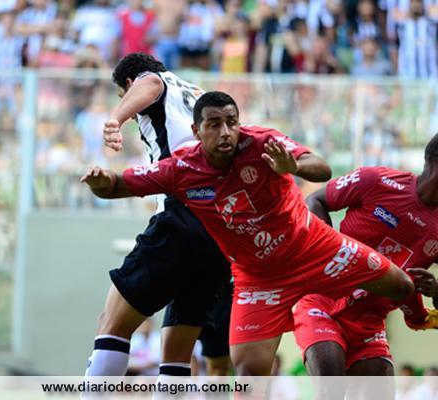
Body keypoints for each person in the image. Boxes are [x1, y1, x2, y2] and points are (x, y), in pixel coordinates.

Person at [82, 91, 415, 375]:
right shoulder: (180, 169)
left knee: (403, 286)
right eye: (215, 124)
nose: (226, 132)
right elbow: (117, 185)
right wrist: (101, 181)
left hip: (314, 247)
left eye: (232, 122)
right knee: (249, 373)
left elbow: (321, 167)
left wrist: (293, 166)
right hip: (259, 278)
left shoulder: (262, 142)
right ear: (196, 131)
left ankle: (385, 327)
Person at [85, 52, 232, 378]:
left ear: (129, 83)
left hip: (181, 216)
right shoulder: (196, 93)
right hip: (219, 230)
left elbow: (150, 82)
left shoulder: (154, 82)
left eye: (123, 95)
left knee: (111, 324)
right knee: (177, 352)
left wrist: (115, 119)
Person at [293, 134, 438, 379]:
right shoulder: (376, 180)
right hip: (323, 300)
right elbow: (316, 200)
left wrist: (435, 290)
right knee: (331, 384)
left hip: (369, 323)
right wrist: (330, 254)